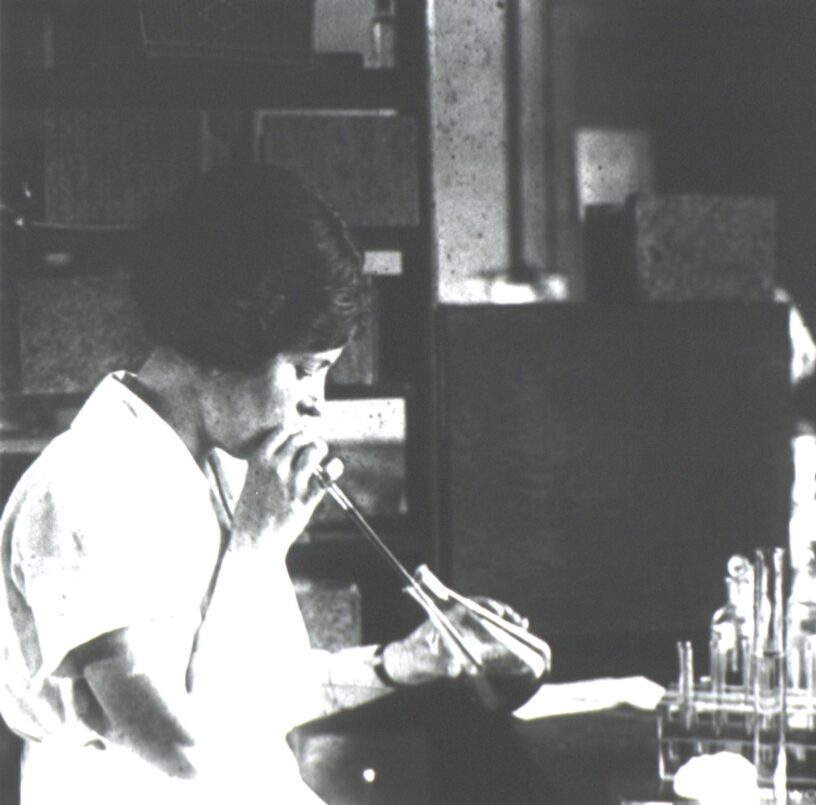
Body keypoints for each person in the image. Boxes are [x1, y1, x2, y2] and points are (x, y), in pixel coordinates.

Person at [0, 164, 517, 803]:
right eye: (304, 369)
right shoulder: (83, 487)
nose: (316, 404)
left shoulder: (211, 468)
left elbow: (250, 696)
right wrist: (257, 544)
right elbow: (180, 749)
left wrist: (400, 662)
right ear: (224, 343)